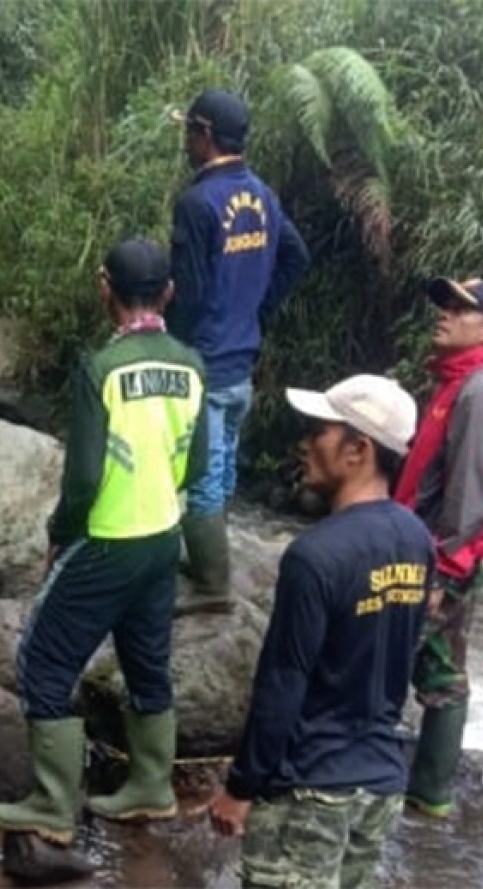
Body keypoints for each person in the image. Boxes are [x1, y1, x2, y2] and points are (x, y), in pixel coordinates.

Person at [0, 238, 208, 881]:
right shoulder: (193, 364)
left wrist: (59, 531)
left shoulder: (99, 368)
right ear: (168, 293)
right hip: (164, 536)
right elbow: (196, 461)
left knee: (42, 659)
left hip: (106, 540)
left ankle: (54, 804)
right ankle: (150, 787)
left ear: (104, 286)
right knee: (147, 662)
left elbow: (82, 477)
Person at [208, 375, 432, 889]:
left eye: (319, 431)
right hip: (380, 785)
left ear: (359, 449)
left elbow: (283, 681)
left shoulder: (316, 555)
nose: (306, 443)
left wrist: (241, 786)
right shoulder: (415, 539)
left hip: (312, 786)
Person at [167, 88, 312, 615]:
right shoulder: (263, 195)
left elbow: (191, 291)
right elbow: (296, 256)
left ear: (204, 136)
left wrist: (171, 346)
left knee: (202, 472)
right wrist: (256, 309)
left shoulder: (197, 203)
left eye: (189, 132)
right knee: (223, 460)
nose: (186, 142)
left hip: (203, 359)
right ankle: (214, 561)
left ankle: (210, 587)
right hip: (242, 359)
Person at [394, 277, 483, 818]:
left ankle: (383, 786)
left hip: (445, 559)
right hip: (444, 552)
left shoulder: (480, 393)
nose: (443, 315)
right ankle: (430, 795)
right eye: (443, 305)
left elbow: (471, 499)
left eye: (459, 309)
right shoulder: (462, 382)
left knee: (384, 662)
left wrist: (440, 577)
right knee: (441, 672)